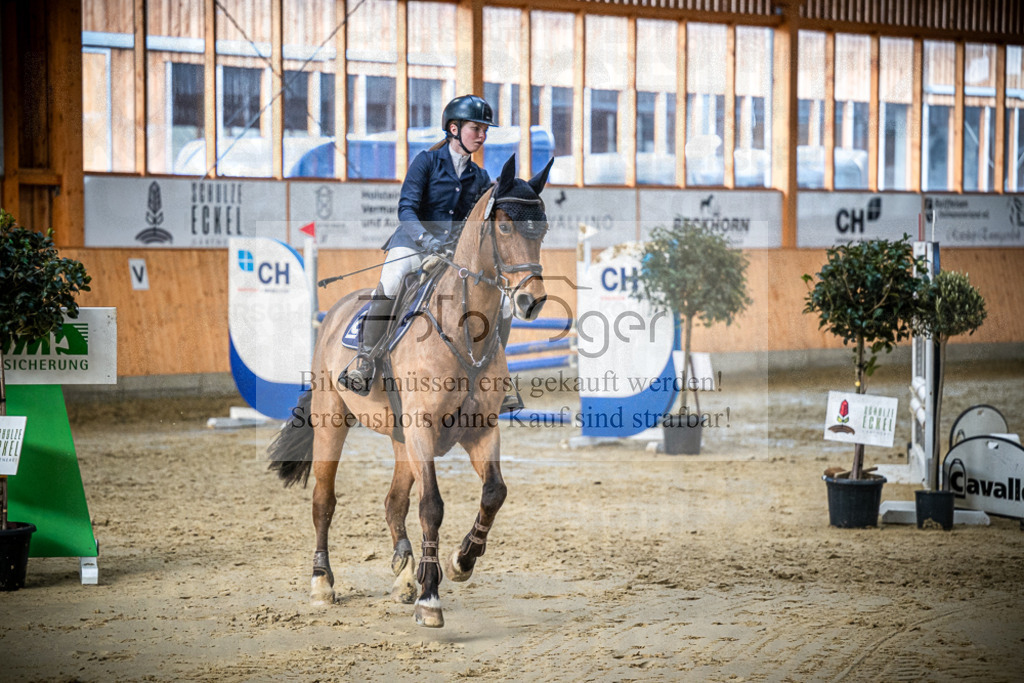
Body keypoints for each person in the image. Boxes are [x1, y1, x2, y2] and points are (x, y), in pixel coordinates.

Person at [339, 94, 522, 413]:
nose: (481, 135)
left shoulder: (478, 177)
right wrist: (426, 239)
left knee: (503, 302)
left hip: (452, 255)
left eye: (484, 130)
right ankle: (365, 362)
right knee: (393, 280)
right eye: (475, 128)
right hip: (412, 242)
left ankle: (496, 377)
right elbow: (406, 209)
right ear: (454, 129)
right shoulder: (426, 162)